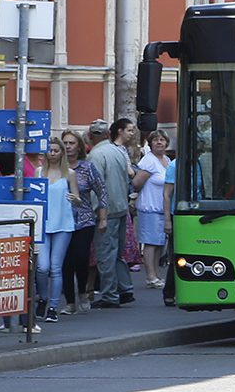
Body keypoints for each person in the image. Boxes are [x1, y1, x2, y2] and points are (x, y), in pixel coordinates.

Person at [88, 118, 136, 308]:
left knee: (106, 254)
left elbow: (96, 188)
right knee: (117, 254)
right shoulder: (116, 151)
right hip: (120, 207)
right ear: (108, 134)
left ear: (90, 136)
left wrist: (98, 214)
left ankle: (110, 295)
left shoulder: (95, 156)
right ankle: (125, 288)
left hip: (106, 210)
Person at [61, 129, 107, 315]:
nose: (68, 147)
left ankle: (83, 291)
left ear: (79, 146)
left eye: (72, 143)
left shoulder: (87, 168)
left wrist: (102, 218)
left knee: (80, 259)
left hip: (84, 220)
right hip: (60, 221)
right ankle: (70, 302)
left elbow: (102, 192)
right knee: (65, 262)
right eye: (65, 143)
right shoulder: (55, 168)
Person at [35, 137, 80, 323]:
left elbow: (77, 197)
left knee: (55, 267)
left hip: (63, 223)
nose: (52, 153)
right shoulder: (39, 172)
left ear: (61, 152)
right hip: (43, 224)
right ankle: (42, 298)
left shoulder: (69, 174)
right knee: (41, 266)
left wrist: (74, 199)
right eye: (50, 150)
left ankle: (53, 306)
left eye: (56, 150)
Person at [132, 130, 171, 289]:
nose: (159, 142)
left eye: (162, 140)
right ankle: (150, 275)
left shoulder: (167, 160)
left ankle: (156, 274)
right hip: (150, 207)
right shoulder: (149, 161)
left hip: (162, 208)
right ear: (150, 143)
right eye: (155, 140)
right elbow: (136, 182)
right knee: (151, 243)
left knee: (160, 243)